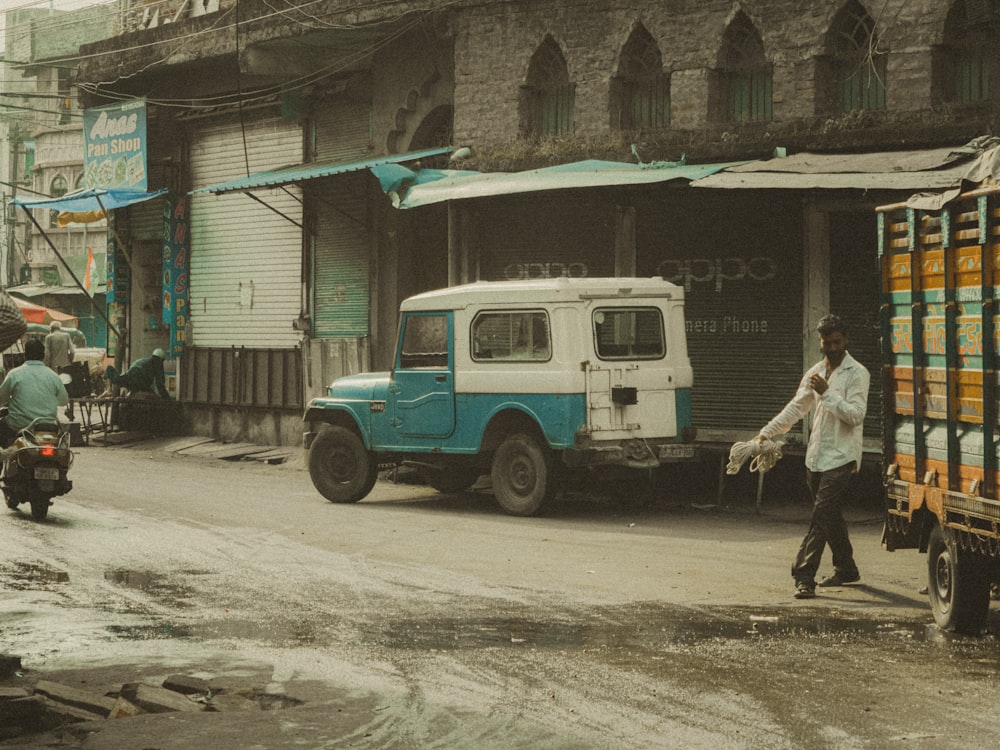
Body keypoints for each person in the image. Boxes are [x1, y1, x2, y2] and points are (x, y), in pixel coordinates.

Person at [755, 314, 870, 600]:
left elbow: (856, 416)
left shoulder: (857, 373)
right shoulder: (815, 372)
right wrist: (765, 434)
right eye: (826, 342)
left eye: (837, 342)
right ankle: (846, 568)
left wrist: (828, 393)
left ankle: (804, 576)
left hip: (842, 457)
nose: (831, 347)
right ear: (819, 341)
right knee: (829, 515)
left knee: (821, 515)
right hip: (816, 457)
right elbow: (795, 409)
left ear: (846, 341)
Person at [0, 338, 69, 446]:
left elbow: (1, 398)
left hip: (18, 424)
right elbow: (63, 401)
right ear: (43, 355)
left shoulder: (15, 374)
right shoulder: (53, 376)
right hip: (47, 425)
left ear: (25, 354)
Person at [102, 348, 171, 399]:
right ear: (161, 359)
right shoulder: (157, 363)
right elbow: (159, 384)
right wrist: (167, 399)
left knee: (120, 380)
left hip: (131, 376)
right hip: (137, 379)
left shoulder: (146, 361)